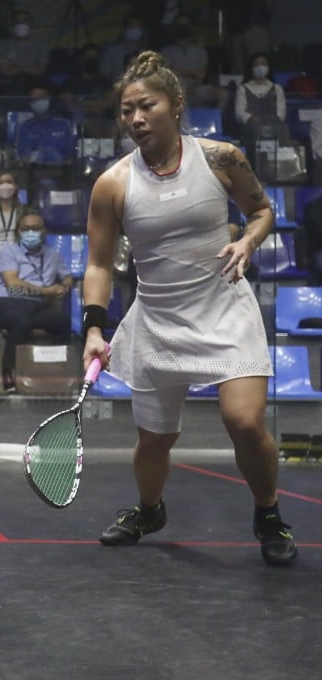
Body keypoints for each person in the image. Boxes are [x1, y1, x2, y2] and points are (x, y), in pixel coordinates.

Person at [81, 50, 297, 565]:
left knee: (244, 423)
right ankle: (150, 508)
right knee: (155, 439)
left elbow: (262, 210)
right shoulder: (112, 183)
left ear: (175, 106)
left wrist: (248, 240)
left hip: (225, 310)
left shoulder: (222, 158)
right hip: (157, 320)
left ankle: (268, 512)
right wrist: (93, 327)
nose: (134, 119)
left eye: (146, 106)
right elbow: (98, 264)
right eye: (126, 110)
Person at [0, 210, 73, 391]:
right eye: (26, 229)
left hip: (38, 306)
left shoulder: (53, 255)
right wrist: (46, 291)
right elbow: (13, 285)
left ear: (43, 232)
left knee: (64, 322)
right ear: (19, 231)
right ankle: (7, 371)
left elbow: (67, 277)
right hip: (9, 303)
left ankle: (53, 370)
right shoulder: (10, 251)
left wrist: (64, 287)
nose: (30, 233)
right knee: (22, 322)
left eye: (35, 228)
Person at [234, 51, 290, 154]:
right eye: (256, 64)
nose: (260, 67)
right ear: (251, 67)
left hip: (274, 125)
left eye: (264, 64)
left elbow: (281, 114)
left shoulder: (277, 88)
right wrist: (252, 119)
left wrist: (265, 119)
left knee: (283, 129)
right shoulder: (243, 89)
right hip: (250, 128)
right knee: (256, 130)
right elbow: (240, 113)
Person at [15, 86, 77, 165]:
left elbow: (70, 155)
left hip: (61, 172)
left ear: (49, 98)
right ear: (30, 103)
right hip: (32, 172)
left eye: (41, 98)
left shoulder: (64, 124)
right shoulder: (24, 127)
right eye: (34, 99)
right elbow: (22, 155)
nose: (38, 101)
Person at [0, 8, 48, 96]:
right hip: (11, 82)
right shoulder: (4, 45)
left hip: (35, 82)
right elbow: (6, 72)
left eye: (24, 21)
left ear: (31, 24)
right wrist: (28, 68)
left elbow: (40, 71)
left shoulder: (40, 44)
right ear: (13, 25)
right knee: (19, 81)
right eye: (18, 22)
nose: (21, 25)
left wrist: (18, 68)